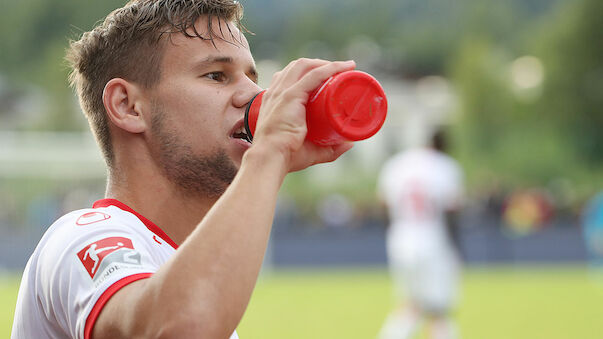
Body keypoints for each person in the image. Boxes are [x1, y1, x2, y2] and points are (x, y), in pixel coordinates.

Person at [11, 1, 355, 338]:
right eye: (217, 75)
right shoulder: (83, 236)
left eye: (253, 78)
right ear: (127, 106)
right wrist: (268, 154)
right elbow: (180, 328)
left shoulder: (193, 278)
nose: (254, 95)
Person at [377, 128, 464, 339]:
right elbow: (451, 212)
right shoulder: (445, 167)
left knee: (410, 305)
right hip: (433, 240)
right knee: (439, 310)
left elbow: (383, 206)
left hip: (401, 239)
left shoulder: (398, 164)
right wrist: (456, 248)